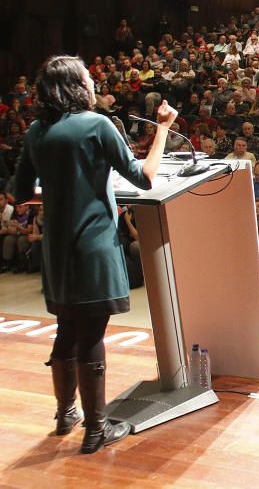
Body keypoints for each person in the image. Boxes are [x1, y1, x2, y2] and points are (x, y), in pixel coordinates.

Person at [13, 55, 178, 454]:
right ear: (76, 85)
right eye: (86, 76)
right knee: (90, 334)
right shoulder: (97, 124)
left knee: (67, 329)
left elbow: (20, 194)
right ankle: (96, 430)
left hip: (57, 249)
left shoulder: (37, 130)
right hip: (94, 245)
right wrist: (164, 129)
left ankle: (66, 414)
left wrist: (62, 191)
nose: (91, 79)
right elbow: (143, 177)